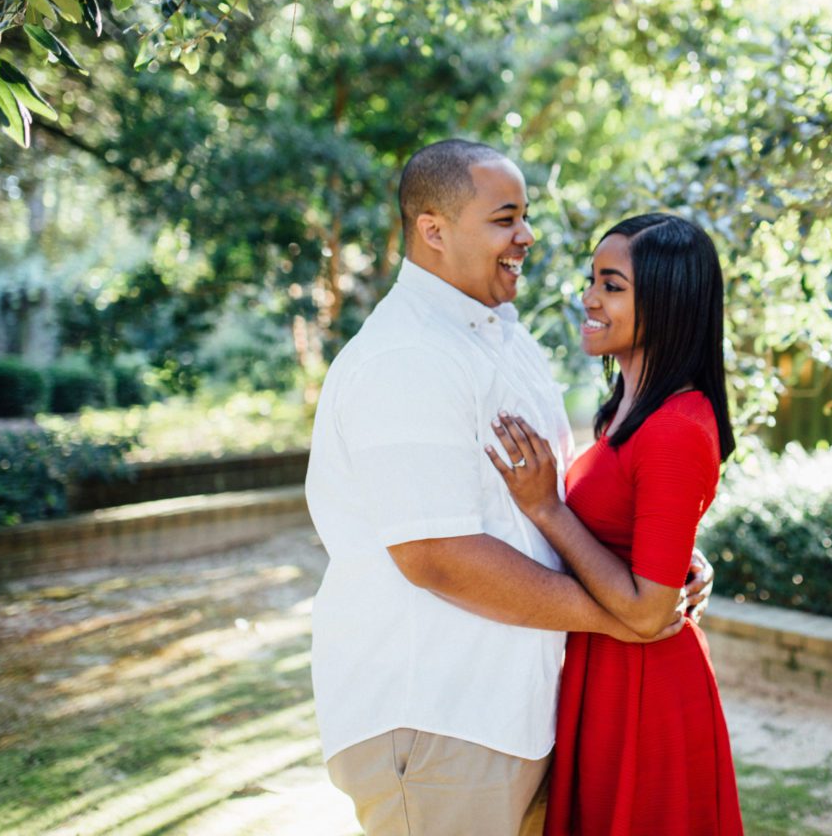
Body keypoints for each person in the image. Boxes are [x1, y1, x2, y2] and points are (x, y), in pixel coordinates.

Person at [304, 142, 711, 836]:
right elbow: (437, 555)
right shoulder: (408, 357)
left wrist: (654, 564)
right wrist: (627, 615)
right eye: (505, 219)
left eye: (525, 216)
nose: (526, 236)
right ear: (434, 230)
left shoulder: (502, 342)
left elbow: (547, 499)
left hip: (517, 714)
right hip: (439, 719)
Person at [485, 213, 745, 836]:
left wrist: (546, 507)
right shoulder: (629, 410)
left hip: (646, 687)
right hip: (605, 673)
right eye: (592, 280)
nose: (589, 298)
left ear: (668, 302)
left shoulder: (673, 427)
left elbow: (649, 611)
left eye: (612, 286)